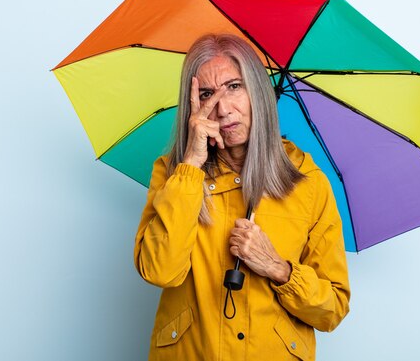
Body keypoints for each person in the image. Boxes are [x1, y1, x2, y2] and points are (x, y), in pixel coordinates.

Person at [134, 34, 350, 361]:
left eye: (234, 87)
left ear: (257, 93)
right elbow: (159, 270)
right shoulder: (173, 173)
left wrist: (280, 270)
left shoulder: (309, 182)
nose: (223, 109)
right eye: (207, 94)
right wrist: (191, 165)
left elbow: (331, 310)